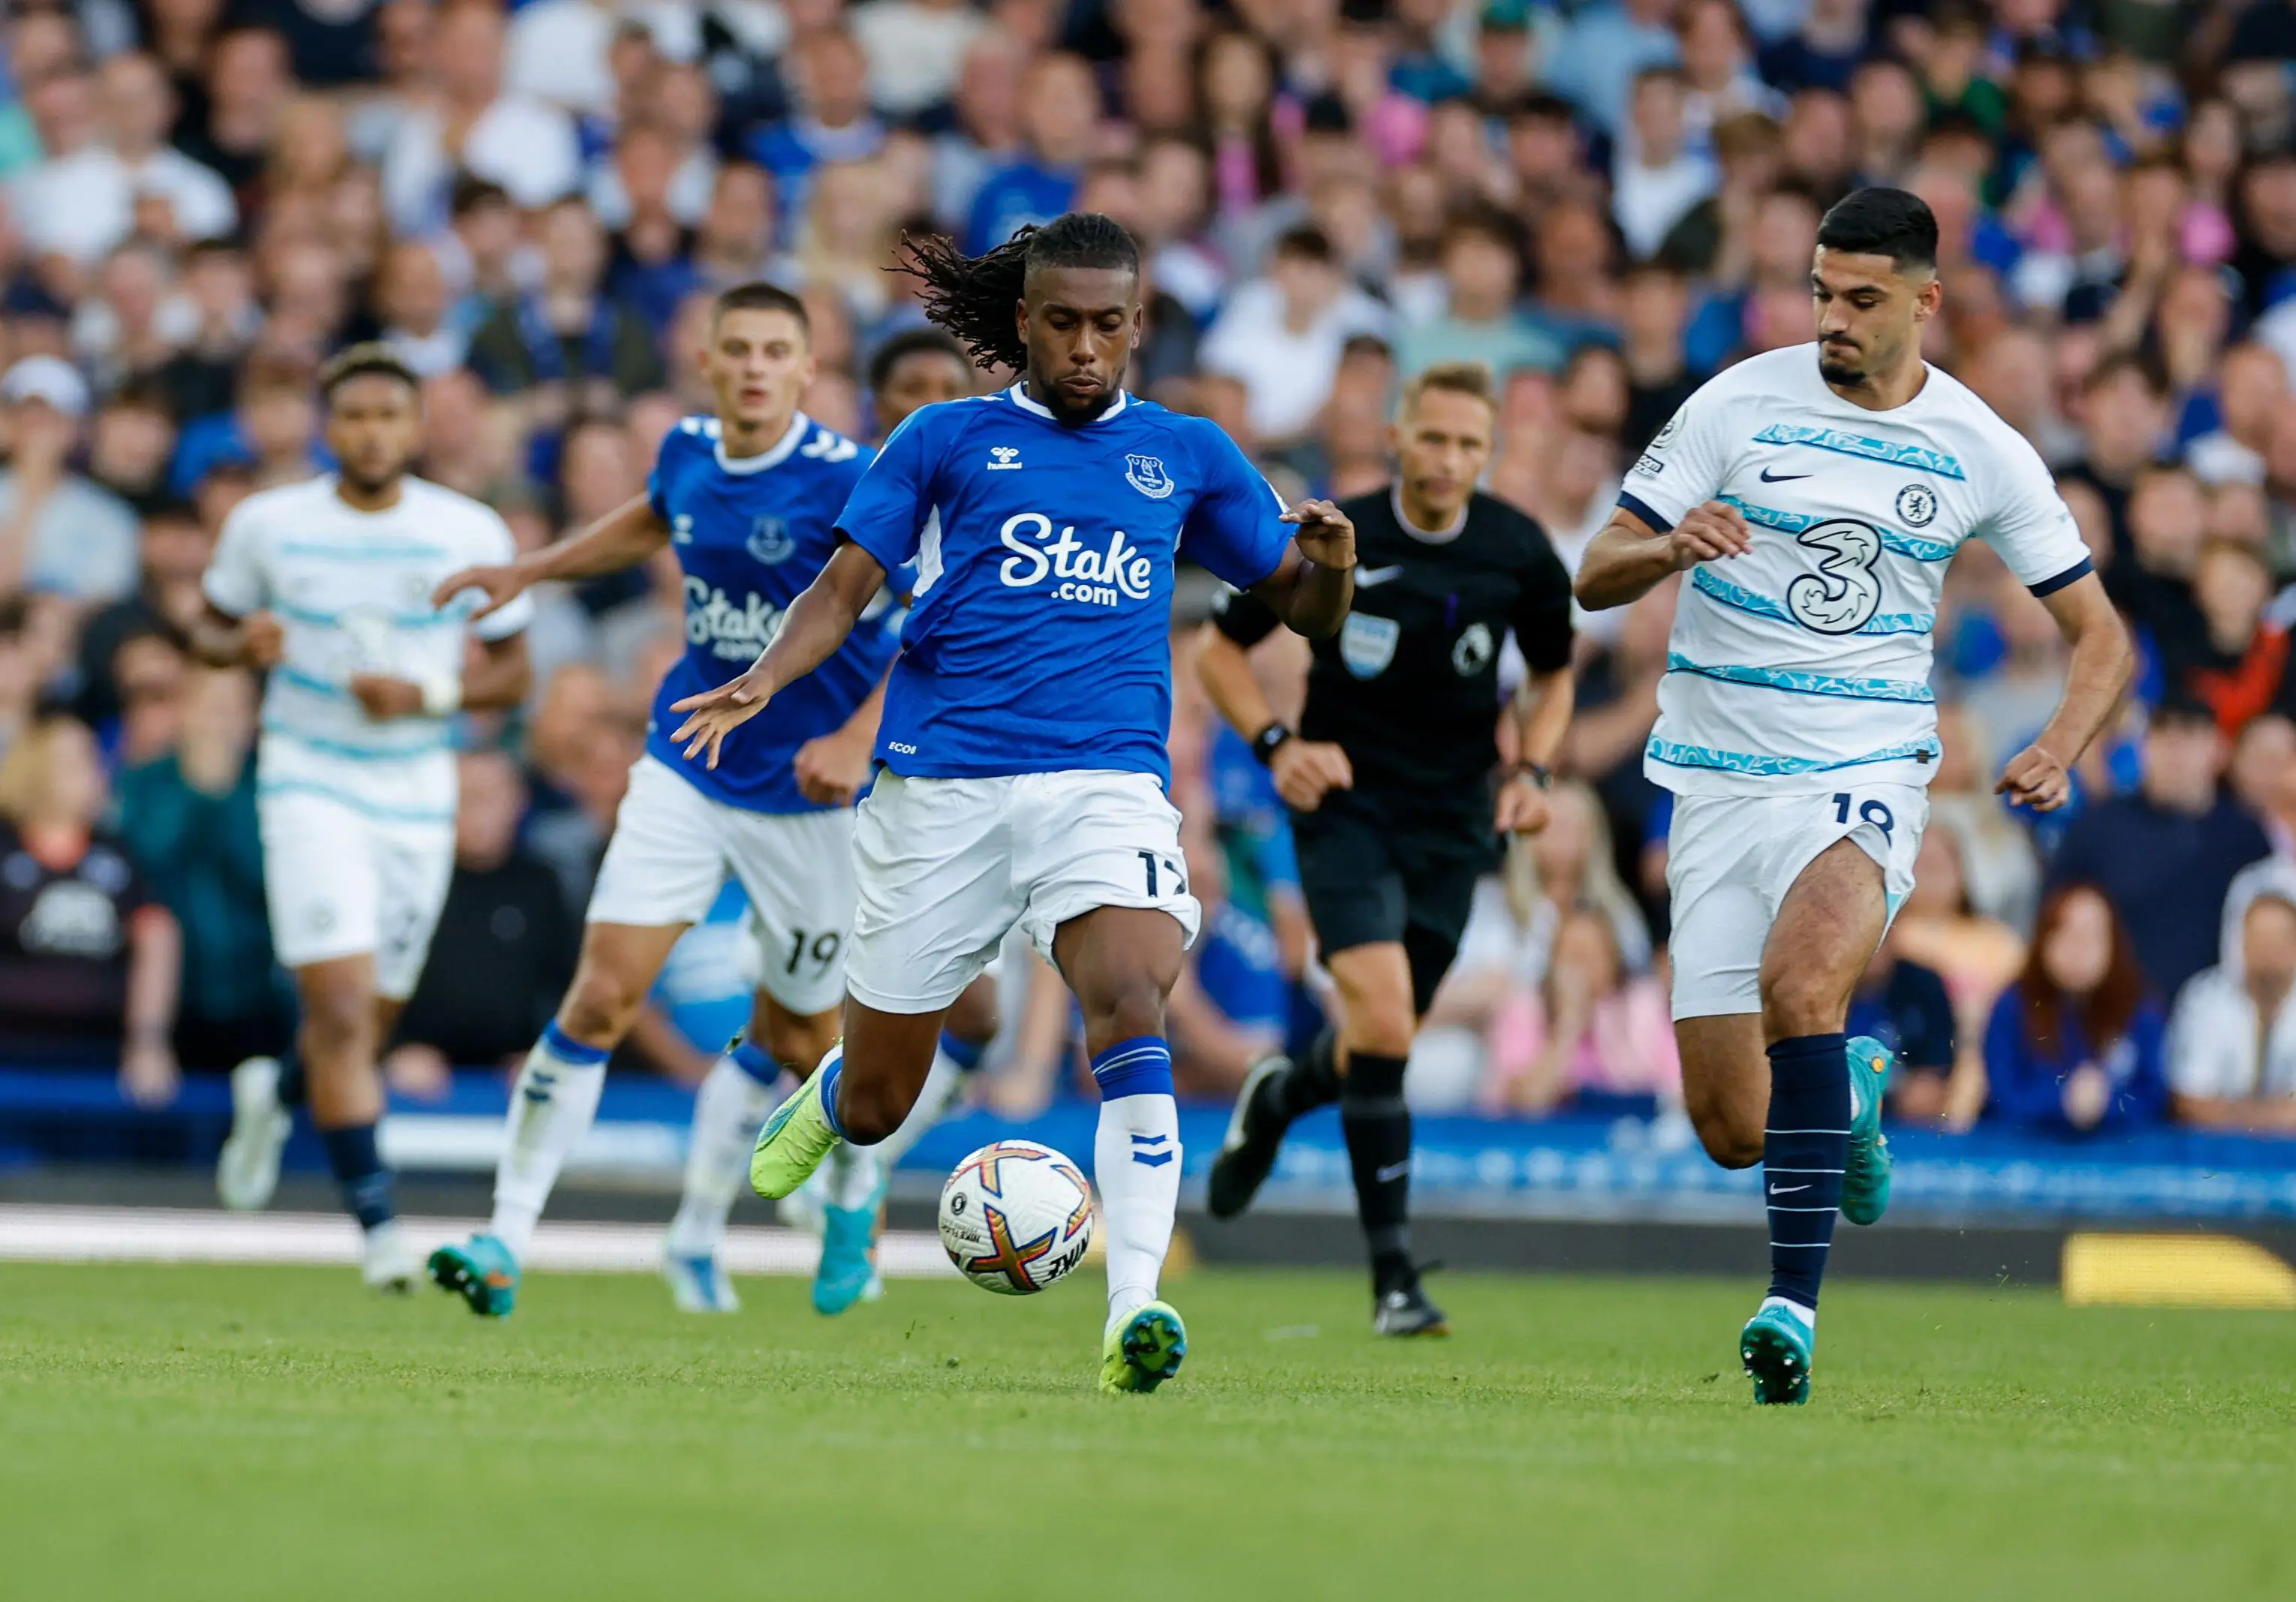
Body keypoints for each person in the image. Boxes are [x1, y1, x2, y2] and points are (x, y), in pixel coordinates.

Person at [666, 213, 1358, 1394]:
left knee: (1129, 992)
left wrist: (1333, 566)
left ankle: (1133, 1307)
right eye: (1061, 323)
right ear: (1022, 325)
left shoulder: (1187, 453)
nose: (1085, 346)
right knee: (886, 1101)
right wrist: (764, 677)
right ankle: (837, 1092)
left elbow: (1304, 607)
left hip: (1106, 782)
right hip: (940, 791)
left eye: (1108, 325)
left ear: (1137, 325)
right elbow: (842, 592)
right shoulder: (942, 439)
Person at [1571, 188, 2132, 1405]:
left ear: (1926, 302)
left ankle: (1789, 1309)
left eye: (1860, 299)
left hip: (1862, 767)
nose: (1831, 316)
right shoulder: (1733, 401)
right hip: (1716, 781)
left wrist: (2060, 740)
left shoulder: (1978, 443)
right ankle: (1857, 1085)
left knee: (1801, 984)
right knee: (1730, 1124)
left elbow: (2100, 636)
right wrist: (1666, 547)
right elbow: (1593, 565)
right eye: (1821, 291)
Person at [421, 283, 893, 1320]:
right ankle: (506, 1236)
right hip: (687, 763)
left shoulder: (850, 479)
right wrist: (530, 570)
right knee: (598, 998)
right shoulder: (685, 448)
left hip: (809, 797)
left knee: (812, 1045)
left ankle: (853, 1203)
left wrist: (856, 738)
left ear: (809, 371)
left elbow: (935, 623)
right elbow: (649, 520)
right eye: (740, 349)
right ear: (708, 361)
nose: (758, 366)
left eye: (779, 350)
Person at [1192, 360, 1577, 1336]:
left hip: (1454, 824)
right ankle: (1394, 1279)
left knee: (1377, 1036)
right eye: (1433, 437)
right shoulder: (1336, 534)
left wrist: (1531, 771)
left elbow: (1555, 673)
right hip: (1346, 807)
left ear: (1488, 453)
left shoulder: (1516, 550)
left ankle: (1280, 1094)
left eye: (1468, 444)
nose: (1448, 460)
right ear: (1398, 435)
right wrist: (1277, 746)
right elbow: (1218, 651)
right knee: (1388, 1025)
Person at [195, 344, 536, 1293]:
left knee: (365, 1022)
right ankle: (379, 1230)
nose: (372, 431)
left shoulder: (464, 529)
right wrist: (237, 645)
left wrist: (428, 695)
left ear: (418, 426)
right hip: (306, 777)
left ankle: (276, 1089)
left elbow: (514, 670)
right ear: (326, 426)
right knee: (342, 1008)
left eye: (390, 413)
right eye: (353, 415)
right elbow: (205, 626)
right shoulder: (268, 524)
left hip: (415, 791)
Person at [0, 712, 181, 1103]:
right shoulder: (5, 849)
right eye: (75, 761)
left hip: (102, 1054)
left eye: (94, 759)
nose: (96, 772)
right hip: (10, 1053)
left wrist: (148, 1043)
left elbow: (157, 937)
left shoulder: (117, 852)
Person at [2047, 697, 2273, 1000]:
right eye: (2162, 735)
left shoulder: (2245, 837)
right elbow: (2054, 916)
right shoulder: (2099, 828)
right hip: (2116, 1012)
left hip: (2219, 1016)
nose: (2174, 753)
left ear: (2218, 751)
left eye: (2189, 736)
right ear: (2143, 747)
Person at [1981, 884, 2168, 1137]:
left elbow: (2155, 1099)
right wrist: (2062, 1099)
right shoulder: (2013, 1005)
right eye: (2065, 934)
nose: (2077, 950)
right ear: (2043, 939)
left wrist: (2107, 1103)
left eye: (2091, 936)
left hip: (2117, 1161)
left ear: (2114, 943)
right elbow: (2002, 1098)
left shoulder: (2140, 1008)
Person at [2166, 875, 2296, 1133]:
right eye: (2259, 936)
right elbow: (2190, 1101)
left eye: (2280, 937)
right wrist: (2270, 1118)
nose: (2269, 948)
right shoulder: (2204, 998)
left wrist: (2234, 1114)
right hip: (2214, 1158)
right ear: (2241, 941)